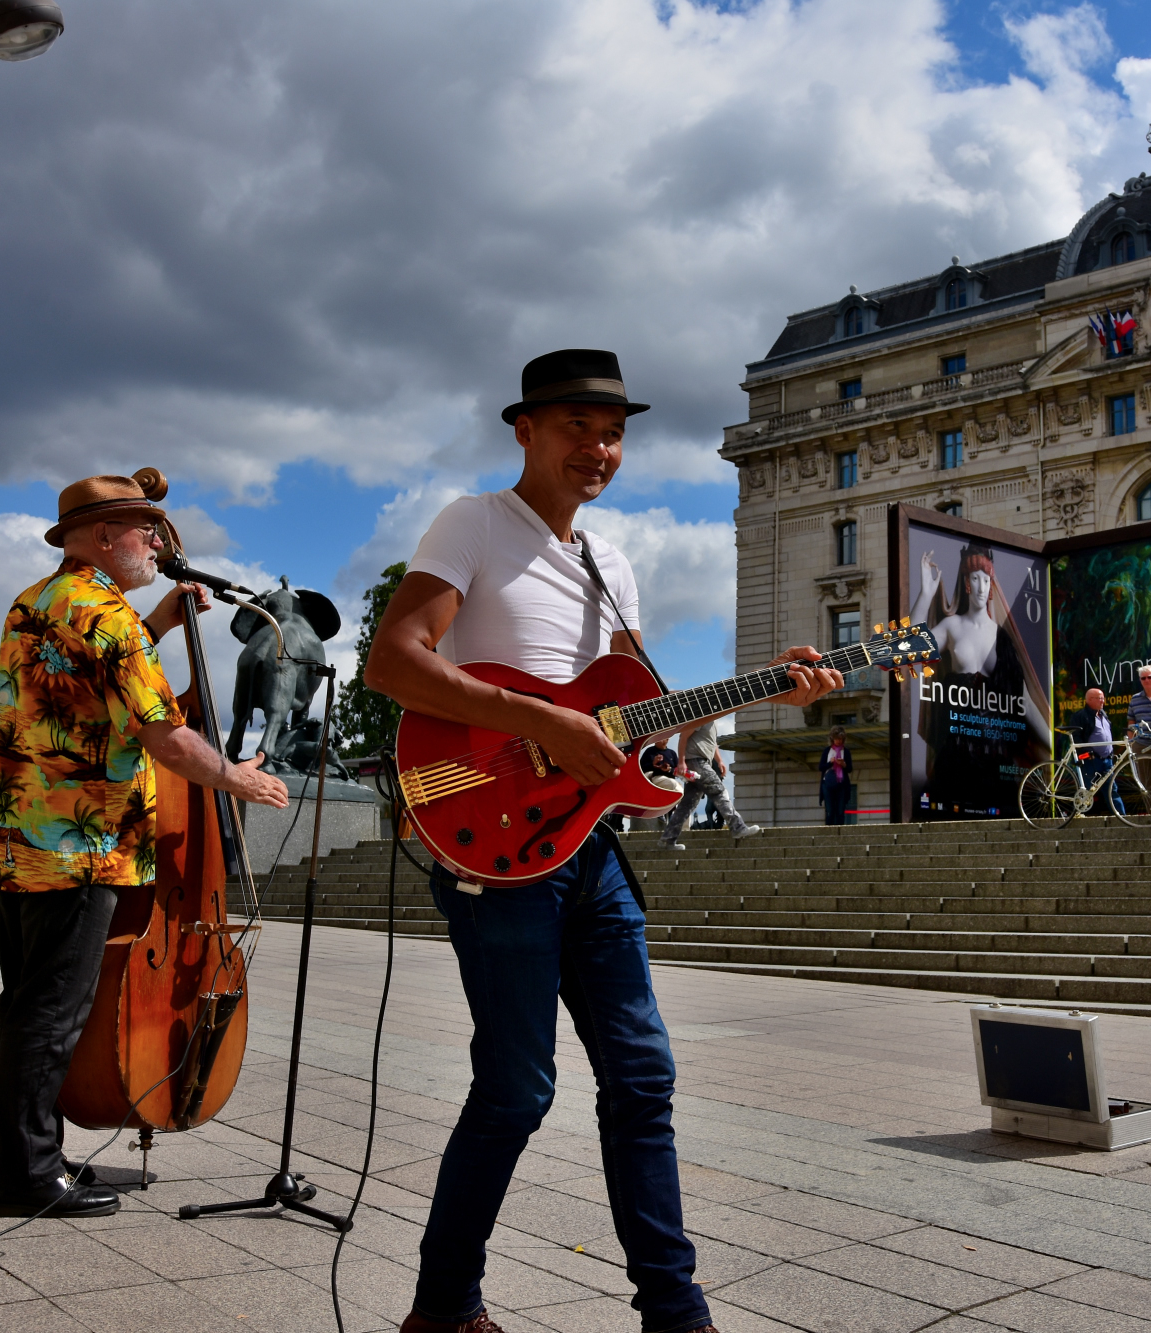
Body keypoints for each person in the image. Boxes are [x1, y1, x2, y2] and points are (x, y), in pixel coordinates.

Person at [360, 349, 841, 1333]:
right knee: (517, 1087)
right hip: (492, 836)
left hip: (586, 846)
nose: (600, 447)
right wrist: (538, 725)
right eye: (577, 425)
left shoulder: (610, 563)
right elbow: (394, 662)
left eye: (614, 430)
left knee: (643, 1075)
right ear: (525, 429)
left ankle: (675, 1311)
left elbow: (637, 726)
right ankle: (441, 1308)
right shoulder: (471, 525)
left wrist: (764, 686)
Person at [0, 472, 289, 1221]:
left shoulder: (40, 600)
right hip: (81, 842)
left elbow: (88, 679)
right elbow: (163, 733)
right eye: (148, 530)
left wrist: (158, 623)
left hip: (18, 835)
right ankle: (25, 1177)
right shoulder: (111, 618)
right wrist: (235, 776)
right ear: (106, 536)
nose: (159, 544)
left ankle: (26, 1150)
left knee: (28, 1005)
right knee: (52, 1012)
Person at [910, 542, 1051, 814]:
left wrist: (1053, 746)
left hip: (998, 758)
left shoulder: (1003, 639)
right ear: (966, 584)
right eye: (975, 578)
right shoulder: (953, 626)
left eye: (986, 579)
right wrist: (926, 593)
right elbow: (913, 650)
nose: (980, 585)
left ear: (991, 585)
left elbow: (1025, 703)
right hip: (956, 755)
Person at [662, 720, 759, 847]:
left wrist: (719, 761)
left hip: (701, 762)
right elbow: (683, 737)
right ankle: (738, 827)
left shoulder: (712, 722)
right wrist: (681, 762)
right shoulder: (702, 717)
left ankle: (667, 839)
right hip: (696, 761)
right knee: (719, 791)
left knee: (687, 804)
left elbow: (713, 744)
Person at [1063, 688, 1121, 815]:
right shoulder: (1080, 716)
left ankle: (1123, 818)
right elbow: (1077, 737)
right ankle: (1076, 815)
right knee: (1086, 791)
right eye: (1099, 698)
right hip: (1090, 759)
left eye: (1103, 697)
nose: (1102, 700)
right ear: (1089, 700)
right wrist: (1086, 752)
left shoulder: (1103, 714)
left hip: (1107, 760)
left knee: (1112, 790)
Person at [819, 725, 855, 826]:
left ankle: (840, 834)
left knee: (840, 811)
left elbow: (850, 769)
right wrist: (830, 763)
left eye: (840, 739)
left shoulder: (846, 752)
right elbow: (821, 767)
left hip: (841, 784)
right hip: (828, 783)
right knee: (830, 811)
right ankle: (829, 832)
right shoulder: (827, 751)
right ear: (832, 739)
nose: (838, 741)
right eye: (836, 739)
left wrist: (843, 765)